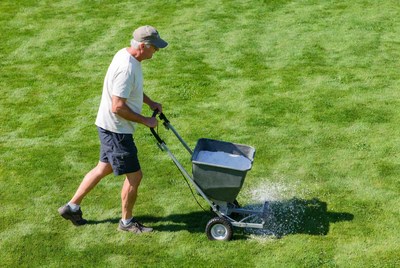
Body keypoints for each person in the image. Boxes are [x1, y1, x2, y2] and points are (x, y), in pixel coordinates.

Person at [58, 25, 168, 234]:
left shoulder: (126, 55)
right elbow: (117, 106)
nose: (157, 51)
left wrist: (150, 102)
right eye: (155, 47)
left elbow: (131, 90)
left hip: (109, 127)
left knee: (104, 168)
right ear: (143, 46)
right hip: (117, 131)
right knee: (135, 177)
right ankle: (126, 223)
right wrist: (146, 120)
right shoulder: (126, 68)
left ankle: (71, 207)